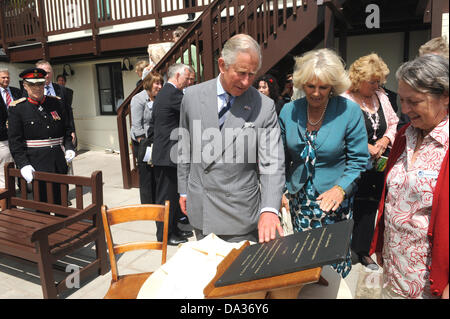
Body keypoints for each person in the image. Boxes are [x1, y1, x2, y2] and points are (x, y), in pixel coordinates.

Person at [178, 34, 285, 244]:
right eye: (241, 73)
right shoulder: (191, 96)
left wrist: (270, 208)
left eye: (252, 75)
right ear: (222, 65)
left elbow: (272, 163)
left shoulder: (264, 106)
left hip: (239, 214)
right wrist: (183, 188)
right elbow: (184, 144)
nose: (246, 81)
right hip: (201, 208)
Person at [278, 48, 369, 278]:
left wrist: (340, 189)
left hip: (334, 200)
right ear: (302, 83)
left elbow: (358, 160)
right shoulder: (289, 111)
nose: (316, 93)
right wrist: (280, 190)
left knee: (331, 264)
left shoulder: (349, 111)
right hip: (299, 201)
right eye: (310, 86)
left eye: (324, 87)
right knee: (303, 260)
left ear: (333, 86)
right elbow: (278, 158)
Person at [370, 54, 449, 299]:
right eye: (402, 100)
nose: (405, 109)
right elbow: (391, 196)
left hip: (430, 284)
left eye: (414, 101)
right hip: (395, 272)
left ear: (445, 97)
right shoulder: (405, 135)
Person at [341, 53, 399, 270]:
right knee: (349, 205)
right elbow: (342, 130)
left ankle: (363, 251)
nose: (377, 85)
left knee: (369, 206)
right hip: (352, 163)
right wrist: (365, 146)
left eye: (379, 81)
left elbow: (394, 122)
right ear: (359, 80)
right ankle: (342, 249)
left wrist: (385, 139)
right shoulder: (345, 99)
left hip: (378, 162)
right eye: (373, 81)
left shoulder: (381, 97)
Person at [7, 68, 75, 204]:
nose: (37, 88)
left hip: (58, 162)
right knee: (42, 205)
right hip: (36, 163)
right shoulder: (17, 108)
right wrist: (23, 164)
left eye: (40, 84)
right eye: (32, 85)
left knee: (62, 202)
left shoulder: (56, 103)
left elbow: (67, 129)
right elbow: (15, 142)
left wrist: (69, 147)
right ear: (25, 86)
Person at [151, 63, 194, 246]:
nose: (188, 82)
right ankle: (164, 235)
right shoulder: (172, 94)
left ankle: (173, 229)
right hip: (168, 154)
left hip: (169, 153)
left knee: (174, 197)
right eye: (187, 78)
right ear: (177, 75)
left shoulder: (166, 93)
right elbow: (192, 112)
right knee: (166, 197)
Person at [130, 72, 163, 205]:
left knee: (158, 174)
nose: (160, 86)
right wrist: (147, 149)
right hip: (143, 141)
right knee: (146, 175)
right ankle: (148, 205)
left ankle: (158, 202)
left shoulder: (159, 98)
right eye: (157, 83)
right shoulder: (138, 99)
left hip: (156, 139)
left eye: (161, 83)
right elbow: (137, 127)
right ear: (149, 84)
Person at [36, 60, 76, 147]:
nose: (46, 75)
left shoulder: (62, 89)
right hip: (42, 137)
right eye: (43, 73)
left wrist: (72, 131)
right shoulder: (31, 91)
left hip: (62, 135)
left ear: (52, 73)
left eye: (48, 72)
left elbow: (68, 112)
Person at [0, 68, 23, 210]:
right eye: (3, 78)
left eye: (7, 77)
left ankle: (15, 197)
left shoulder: (16, 92)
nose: (6, 80)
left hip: (19, 138)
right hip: (3, 140)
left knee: (16, 170)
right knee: (4, 175)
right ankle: (6, 208)